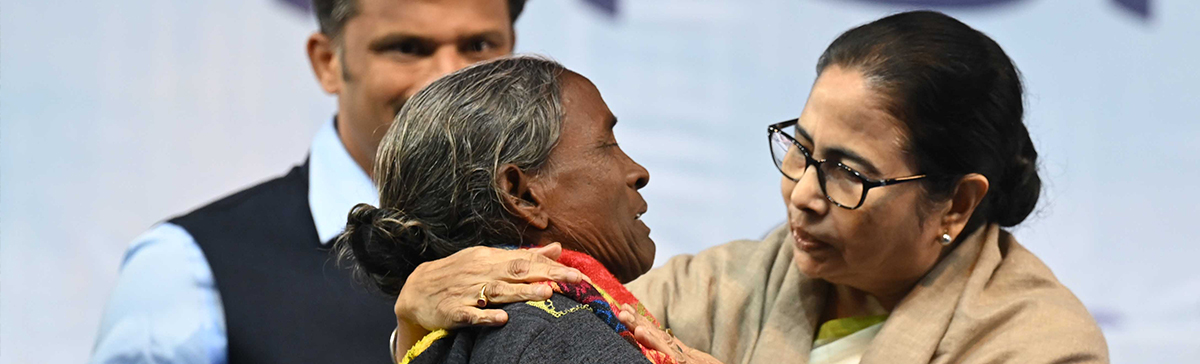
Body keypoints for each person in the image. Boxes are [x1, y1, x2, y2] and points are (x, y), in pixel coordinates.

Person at [387, 11, 1109, 364]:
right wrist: (414, 324)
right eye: (801, 149)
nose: (803, 193)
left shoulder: (1038, 342)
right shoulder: (726, 284)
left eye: (849, 172)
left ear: (956, 202)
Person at [89, 1, 568, 364]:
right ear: (327, 62)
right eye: (407, 48)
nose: (448, 77)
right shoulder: (186, 267)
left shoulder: (567, 238)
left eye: (479, 46)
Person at [337, 56, 671, 364]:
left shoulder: (469, 339)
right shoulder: (553, 336)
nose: (638, 172)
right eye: (607, 145)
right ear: (521, 194)